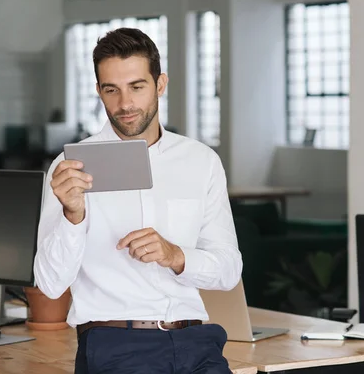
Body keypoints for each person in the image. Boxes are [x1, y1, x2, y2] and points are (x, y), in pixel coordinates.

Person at [34, 28, 243, 374]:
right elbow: (50, 284)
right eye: (111, 90)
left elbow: (229, 271)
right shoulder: (70, 168)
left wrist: (176, 256)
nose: (125, 104)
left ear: (160, 85)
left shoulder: (201, 160)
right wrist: (73, 215)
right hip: (117, 346)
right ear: (99, 92)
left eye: (136, 86)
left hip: (198, 343)